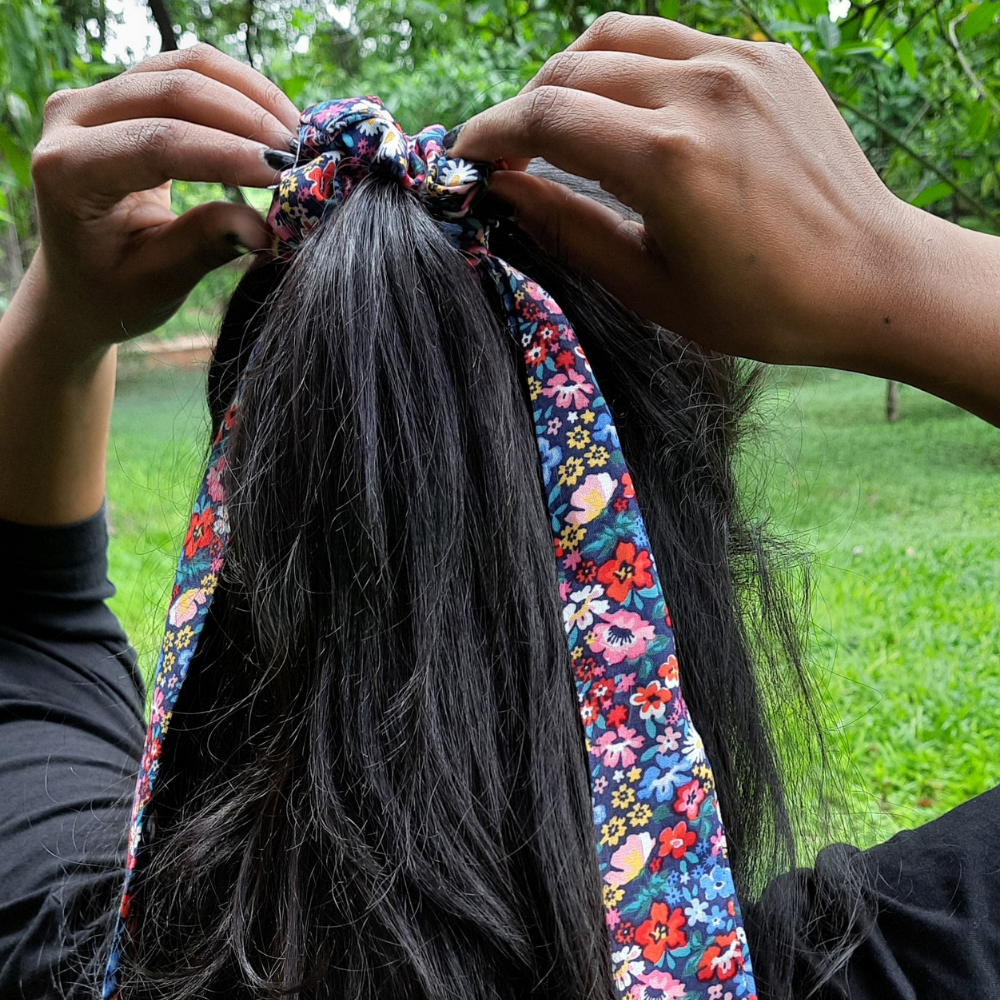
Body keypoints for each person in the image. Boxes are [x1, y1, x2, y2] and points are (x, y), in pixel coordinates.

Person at [0, 14, 997, 1000]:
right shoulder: (919, 962)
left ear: (248, 543)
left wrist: (61, 318)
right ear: (692, 551)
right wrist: (891, 268)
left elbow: (33, 626)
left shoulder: (77, 954)